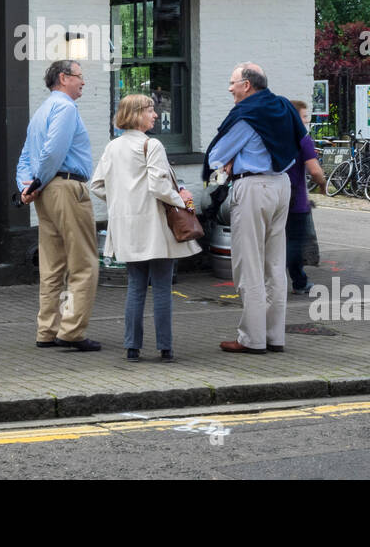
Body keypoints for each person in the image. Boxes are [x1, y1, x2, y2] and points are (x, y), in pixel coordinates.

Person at [202, 62, 307, 355]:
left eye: (232, 82)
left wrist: (230, 159)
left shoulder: (248, 114)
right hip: (281, 185)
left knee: (249, 263)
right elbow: (299, 142)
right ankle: (275, 337)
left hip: (253, 188)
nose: (230, 88)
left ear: (247, 85)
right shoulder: (284, 106)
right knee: (275, 264)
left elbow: (217, 155)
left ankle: (252, 338)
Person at [89, 94, 198, 363]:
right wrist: (180, 199)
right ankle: (165, 348)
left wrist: (120, 199)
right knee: (161, 287)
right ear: (137, 113)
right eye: (151, 110)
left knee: (135, 287)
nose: (156, 115)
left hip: (125, 227)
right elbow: (159, 187)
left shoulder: (112, 147)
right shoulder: (153, 145)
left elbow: (97, 186)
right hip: (154, 226)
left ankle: (132, 348)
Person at [17, 60, 100, 352]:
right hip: (66, 187)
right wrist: (37, 181)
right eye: (79, 77)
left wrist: (27, 187)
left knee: (52, 266)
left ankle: (46, 331)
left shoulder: (41, 111)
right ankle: (72, 331)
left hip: (45, 193)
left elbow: (25, 156)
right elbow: (54, 150)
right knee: (84, 263)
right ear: (63, 78)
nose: (83, 83)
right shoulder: (65, 108)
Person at [287, 99, 328, 295]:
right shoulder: (303, 139)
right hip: (296, 201)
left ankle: (270, 280)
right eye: (304, 117)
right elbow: (315, 171)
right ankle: (299, 282)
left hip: (273, 198)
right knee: (294, 243)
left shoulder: (274, 139)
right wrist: (322, 183)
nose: (306, 121)